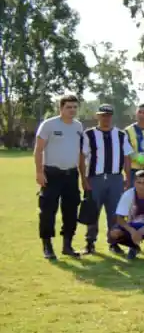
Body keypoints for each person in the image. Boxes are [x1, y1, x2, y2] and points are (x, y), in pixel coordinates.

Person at [35, 94, 85, 259]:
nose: (72, 110)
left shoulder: (78, 126)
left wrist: (82, 175)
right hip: (52, 174)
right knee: (48, 211)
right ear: (61, 108)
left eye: (74, 107)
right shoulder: (49, 125)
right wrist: (39, 172)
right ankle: (47, 246)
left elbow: (80, 152)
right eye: (68, 107)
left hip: (71, 175)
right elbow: (39, 150)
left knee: (71, 211)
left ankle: (67, 245)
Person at [79, 104, 133, 254]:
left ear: (112, 116)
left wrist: (128, 178)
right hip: (95, 178)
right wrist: (83, 179)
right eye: (103, 115)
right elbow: (82, 157)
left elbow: (127, 157)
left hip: (115, 178)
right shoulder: (89, 134)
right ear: (98, 116)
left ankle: (114, 242)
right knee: (92, 211)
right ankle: (90, 242)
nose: (105, 118)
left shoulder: (121, 135)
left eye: (108, 115)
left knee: (115, 213)